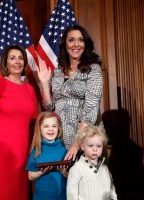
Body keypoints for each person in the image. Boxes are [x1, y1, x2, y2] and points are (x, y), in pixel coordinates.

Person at [37, 24, 104, 161]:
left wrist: (77, 142)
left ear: (85, 44)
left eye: (81, 40)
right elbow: (50, 107)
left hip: (86, 137)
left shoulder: (93, 69)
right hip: (60, 137)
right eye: (71, 40)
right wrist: (44, 85)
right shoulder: (58, 72)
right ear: (65, 44)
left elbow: (91, 109)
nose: (76, 44)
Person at [0, 45, 38, 200]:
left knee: (19, 192)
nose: (17, 61)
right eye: (12, 58)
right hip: (1, 148)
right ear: (5, 63)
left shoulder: (30, 89)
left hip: (23, 148)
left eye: (20, 58)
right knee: (1, 191)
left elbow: (34, 122)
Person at [67, 125, 117, 200]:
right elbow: (71, 196)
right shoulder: (76, 170)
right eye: (90, 145)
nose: (95, 149)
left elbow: (112, 190)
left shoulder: (105, 168)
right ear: (82, 146)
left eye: (98, 146)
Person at [26, 111, 68, 200]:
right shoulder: (36, 151)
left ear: (58, 129)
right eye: (46, 126)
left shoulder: (64, 151)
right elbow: (30, 176)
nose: (51, 129)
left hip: (62, 196)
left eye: (54, 126)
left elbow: (71, 176)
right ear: (40, 129)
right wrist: (42, 171)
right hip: (42, 197)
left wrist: (63, 171)